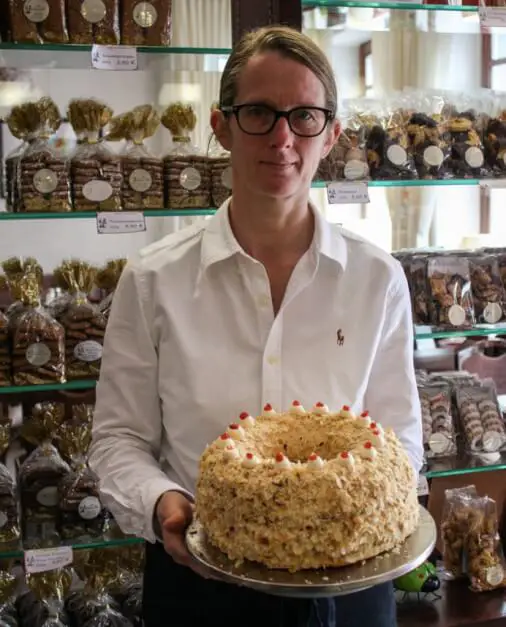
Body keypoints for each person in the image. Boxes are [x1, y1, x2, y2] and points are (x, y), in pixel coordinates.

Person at [89, 25, 423, 627]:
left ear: (332, 134)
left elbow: (399, 439)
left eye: (305, 117)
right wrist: (163, 502)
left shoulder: (377, 279)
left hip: (349, 586)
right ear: (221, 127)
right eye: (259, 114)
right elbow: (118, 442)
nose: (282, 138)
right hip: (199, 580)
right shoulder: (152, 280)